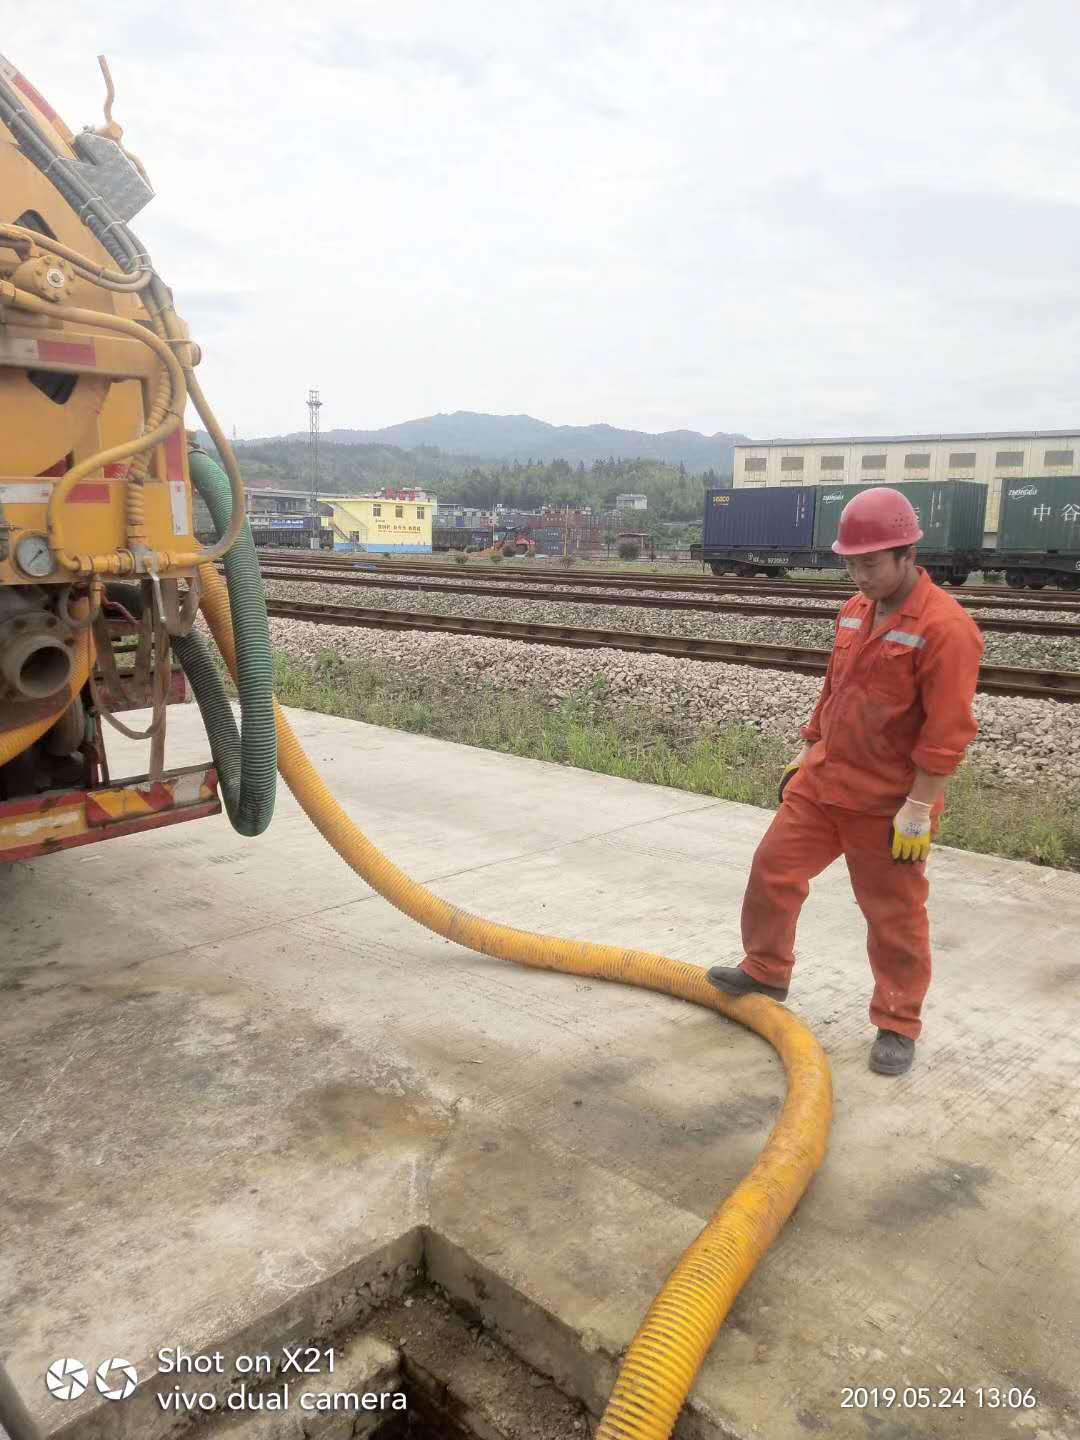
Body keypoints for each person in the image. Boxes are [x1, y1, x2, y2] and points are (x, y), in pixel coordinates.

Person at [706, 487, 984, 1075]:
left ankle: (897, 1022)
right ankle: (766, 969)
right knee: (772, 871)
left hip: (888, 803)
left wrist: (919, 805)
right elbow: (835, 691)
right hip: (824, 780)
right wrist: (807, 750)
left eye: (870, 563)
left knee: (893, 917)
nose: (859, 575)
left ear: (907, 554)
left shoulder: (946, 628)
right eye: (851, 562)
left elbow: (947, 731)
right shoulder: (856, 610)